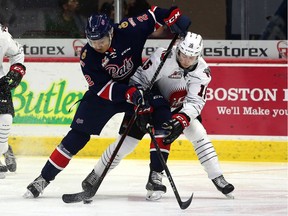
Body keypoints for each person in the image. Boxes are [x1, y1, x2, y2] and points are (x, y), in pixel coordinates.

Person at [24, 6, 191, 198]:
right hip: (108, 95)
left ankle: (155, 176)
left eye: (101, 41)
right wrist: (128, 93)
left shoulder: (129, 29)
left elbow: (155, 14)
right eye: (92, 41)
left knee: (162, 111)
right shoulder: (88, 56)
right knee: (77, 135)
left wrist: (174, 18)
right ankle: (43, 178)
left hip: (137, 84)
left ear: (111, 32)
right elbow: (102, 89)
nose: (97, 45)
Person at [81, 32, 234, 201]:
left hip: (179, 109)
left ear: (198, 55)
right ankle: (95, 174)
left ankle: (215, 176)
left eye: (191, 57)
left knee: (199, 133)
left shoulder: (202, 71)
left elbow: (195, 102)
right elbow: (139, 79)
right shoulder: (163, 56)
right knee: (125, 144)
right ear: (178, 49)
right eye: (183, 55)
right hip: (151, 103)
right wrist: (141, 101)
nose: (185, 60)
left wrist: (182, 119)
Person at [0, 22, 26, 179]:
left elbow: (17, 52)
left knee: (6, 119)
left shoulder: (2, 36)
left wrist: (17, 70)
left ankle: (3, 147)